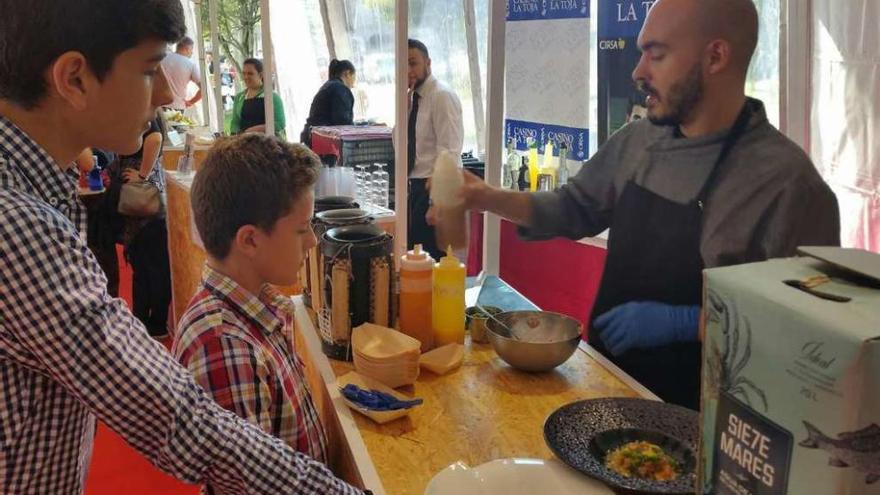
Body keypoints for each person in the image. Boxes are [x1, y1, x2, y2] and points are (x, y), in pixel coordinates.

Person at [0, 0, 363, 493]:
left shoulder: (38, 188)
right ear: (75, 79)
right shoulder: (18, 224)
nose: (169, 93)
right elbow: (180, 419)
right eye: (151, 70)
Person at [458, 0, 840, 410]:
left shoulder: (788, 186)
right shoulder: (638, 141)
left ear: (716, 57)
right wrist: (484, 197)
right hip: (608, 391)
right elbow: (572, 208)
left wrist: (686, 324)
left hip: (708, 427)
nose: (638, 72)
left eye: (656, 55)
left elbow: (810, 338)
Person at [174, 134, 328, 494]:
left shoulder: (257, 307)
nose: (313, 242)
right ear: (249, 240)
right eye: (302, 230)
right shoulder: (225, 346)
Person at [407, 39, 464, 261]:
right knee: (415, 262)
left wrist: (436, 201)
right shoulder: (412, 98)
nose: (409, 71)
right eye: (404, 65)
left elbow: (449, 152)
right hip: (416, 188)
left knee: (433, 264)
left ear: (428, 63)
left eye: (413, 63)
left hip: (433, 188)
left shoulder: (441, 95)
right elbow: (403, 145)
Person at [116, 113, 172, 339]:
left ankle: (154, 322)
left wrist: (142, 175)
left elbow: (155, 138)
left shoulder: (146, 110)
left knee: (151, 262)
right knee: (145, 261)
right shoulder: (142, 109)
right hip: (142, 195)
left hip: (144, 196)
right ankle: (145, 321)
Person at [300, 59, 356, 145]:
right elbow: (343, 122)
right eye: (354, 77)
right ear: (347, 73)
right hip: (324, 142)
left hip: (313, 137)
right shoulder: (340, 89)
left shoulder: (329, 86)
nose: (354, 83)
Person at [230, 58, 286, 138]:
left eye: (250, 73)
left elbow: (280, 123)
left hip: (269, 143)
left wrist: (254, 130)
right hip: (245, 142)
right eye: (244, 73)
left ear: (260, 75)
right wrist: (234, 136)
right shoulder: (239, 98)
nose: (246, 77)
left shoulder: (272, 97)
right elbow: (235, 122)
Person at [160, 36, 202, 111]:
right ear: (187, 48)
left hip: (159, 105)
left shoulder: (162, 58)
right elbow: (203, 89)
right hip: (178, 106)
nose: (192, 52)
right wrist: (191, 102)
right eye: (192, 49)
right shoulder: (191, 64)